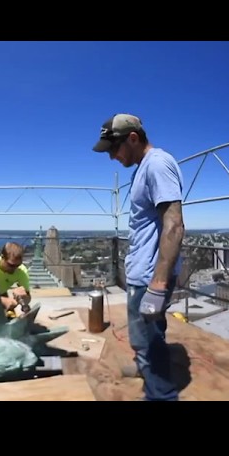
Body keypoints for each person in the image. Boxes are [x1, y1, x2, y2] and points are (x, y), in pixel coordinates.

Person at [92, 113, 185, 401]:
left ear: (133, 138)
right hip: (141, 274)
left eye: (114, 149)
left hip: (149, 277)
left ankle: (160, 394)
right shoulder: (142, 168)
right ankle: (146, 370)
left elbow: (174, 224)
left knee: (151, 342)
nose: (112, 157)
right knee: (141, 339)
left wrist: (158, 284)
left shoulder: (157, 164)